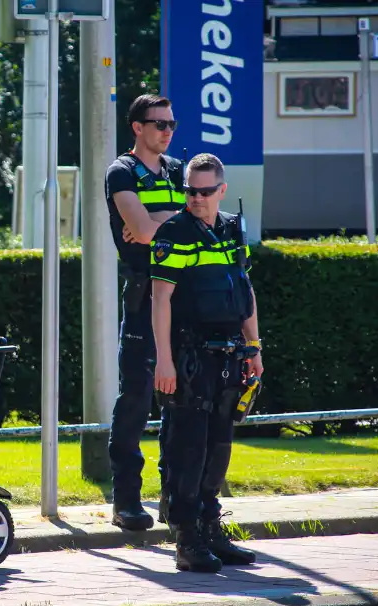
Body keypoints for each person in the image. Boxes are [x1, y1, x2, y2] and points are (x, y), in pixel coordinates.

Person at [150, 153, 265, 572]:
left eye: (203, 191)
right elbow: (159, 299)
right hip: (190, 355)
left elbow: (244, 288)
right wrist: (164, 361)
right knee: (188, 448)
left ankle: (211, 527)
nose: (195, 198)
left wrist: (254, 347)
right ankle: (187, 538)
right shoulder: (174, 233)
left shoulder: (233, 229)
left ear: (222, 190)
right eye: (189, 190)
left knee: (219, 446)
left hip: (230, 353)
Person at [104, 94, 186, 531]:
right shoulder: (121, 172)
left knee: (184, 401)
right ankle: (127, 501)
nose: (168, 131)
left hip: (184, 298)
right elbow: (140, 230)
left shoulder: (178, 170)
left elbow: (202, 224)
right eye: (159, 124)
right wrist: (167, 225)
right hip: (142, 298)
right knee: (136, 398)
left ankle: (175, 499)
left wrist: (160, 224)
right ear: (137, 127)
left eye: (172, 123)